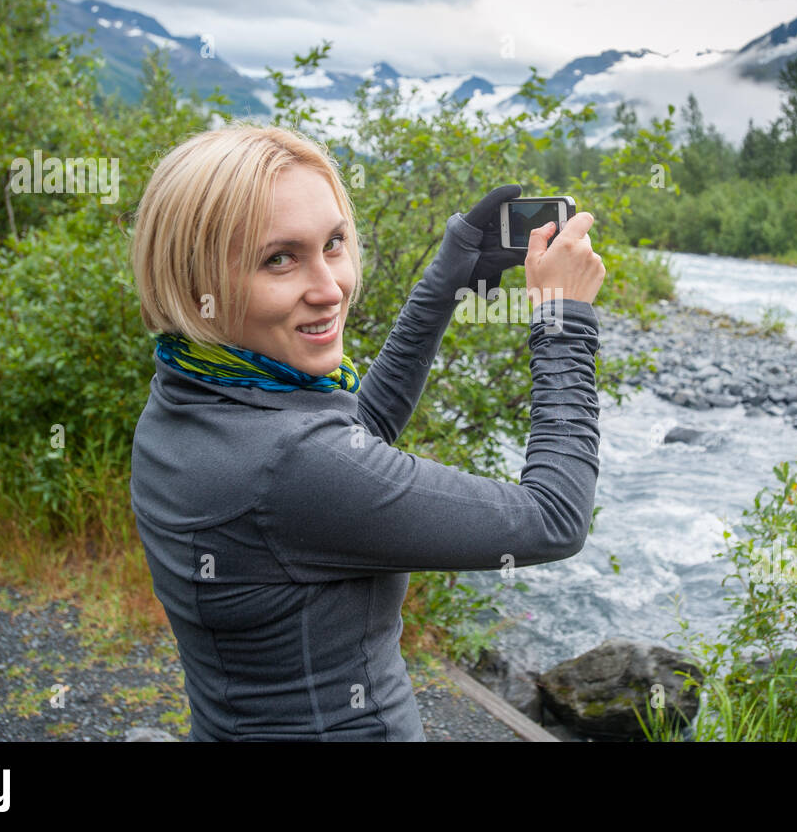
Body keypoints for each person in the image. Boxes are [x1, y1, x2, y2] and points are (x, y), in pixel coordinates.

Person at [128, 123, 605, 741]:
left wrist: (448, 278)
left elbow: (357, 433)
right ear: (196, 283)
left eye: (334, 243)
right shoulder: (289, 466)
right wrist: (563, 322)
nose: (330, 288)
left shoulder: (185, 391)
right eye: (279, 258)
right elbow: (554, 518)